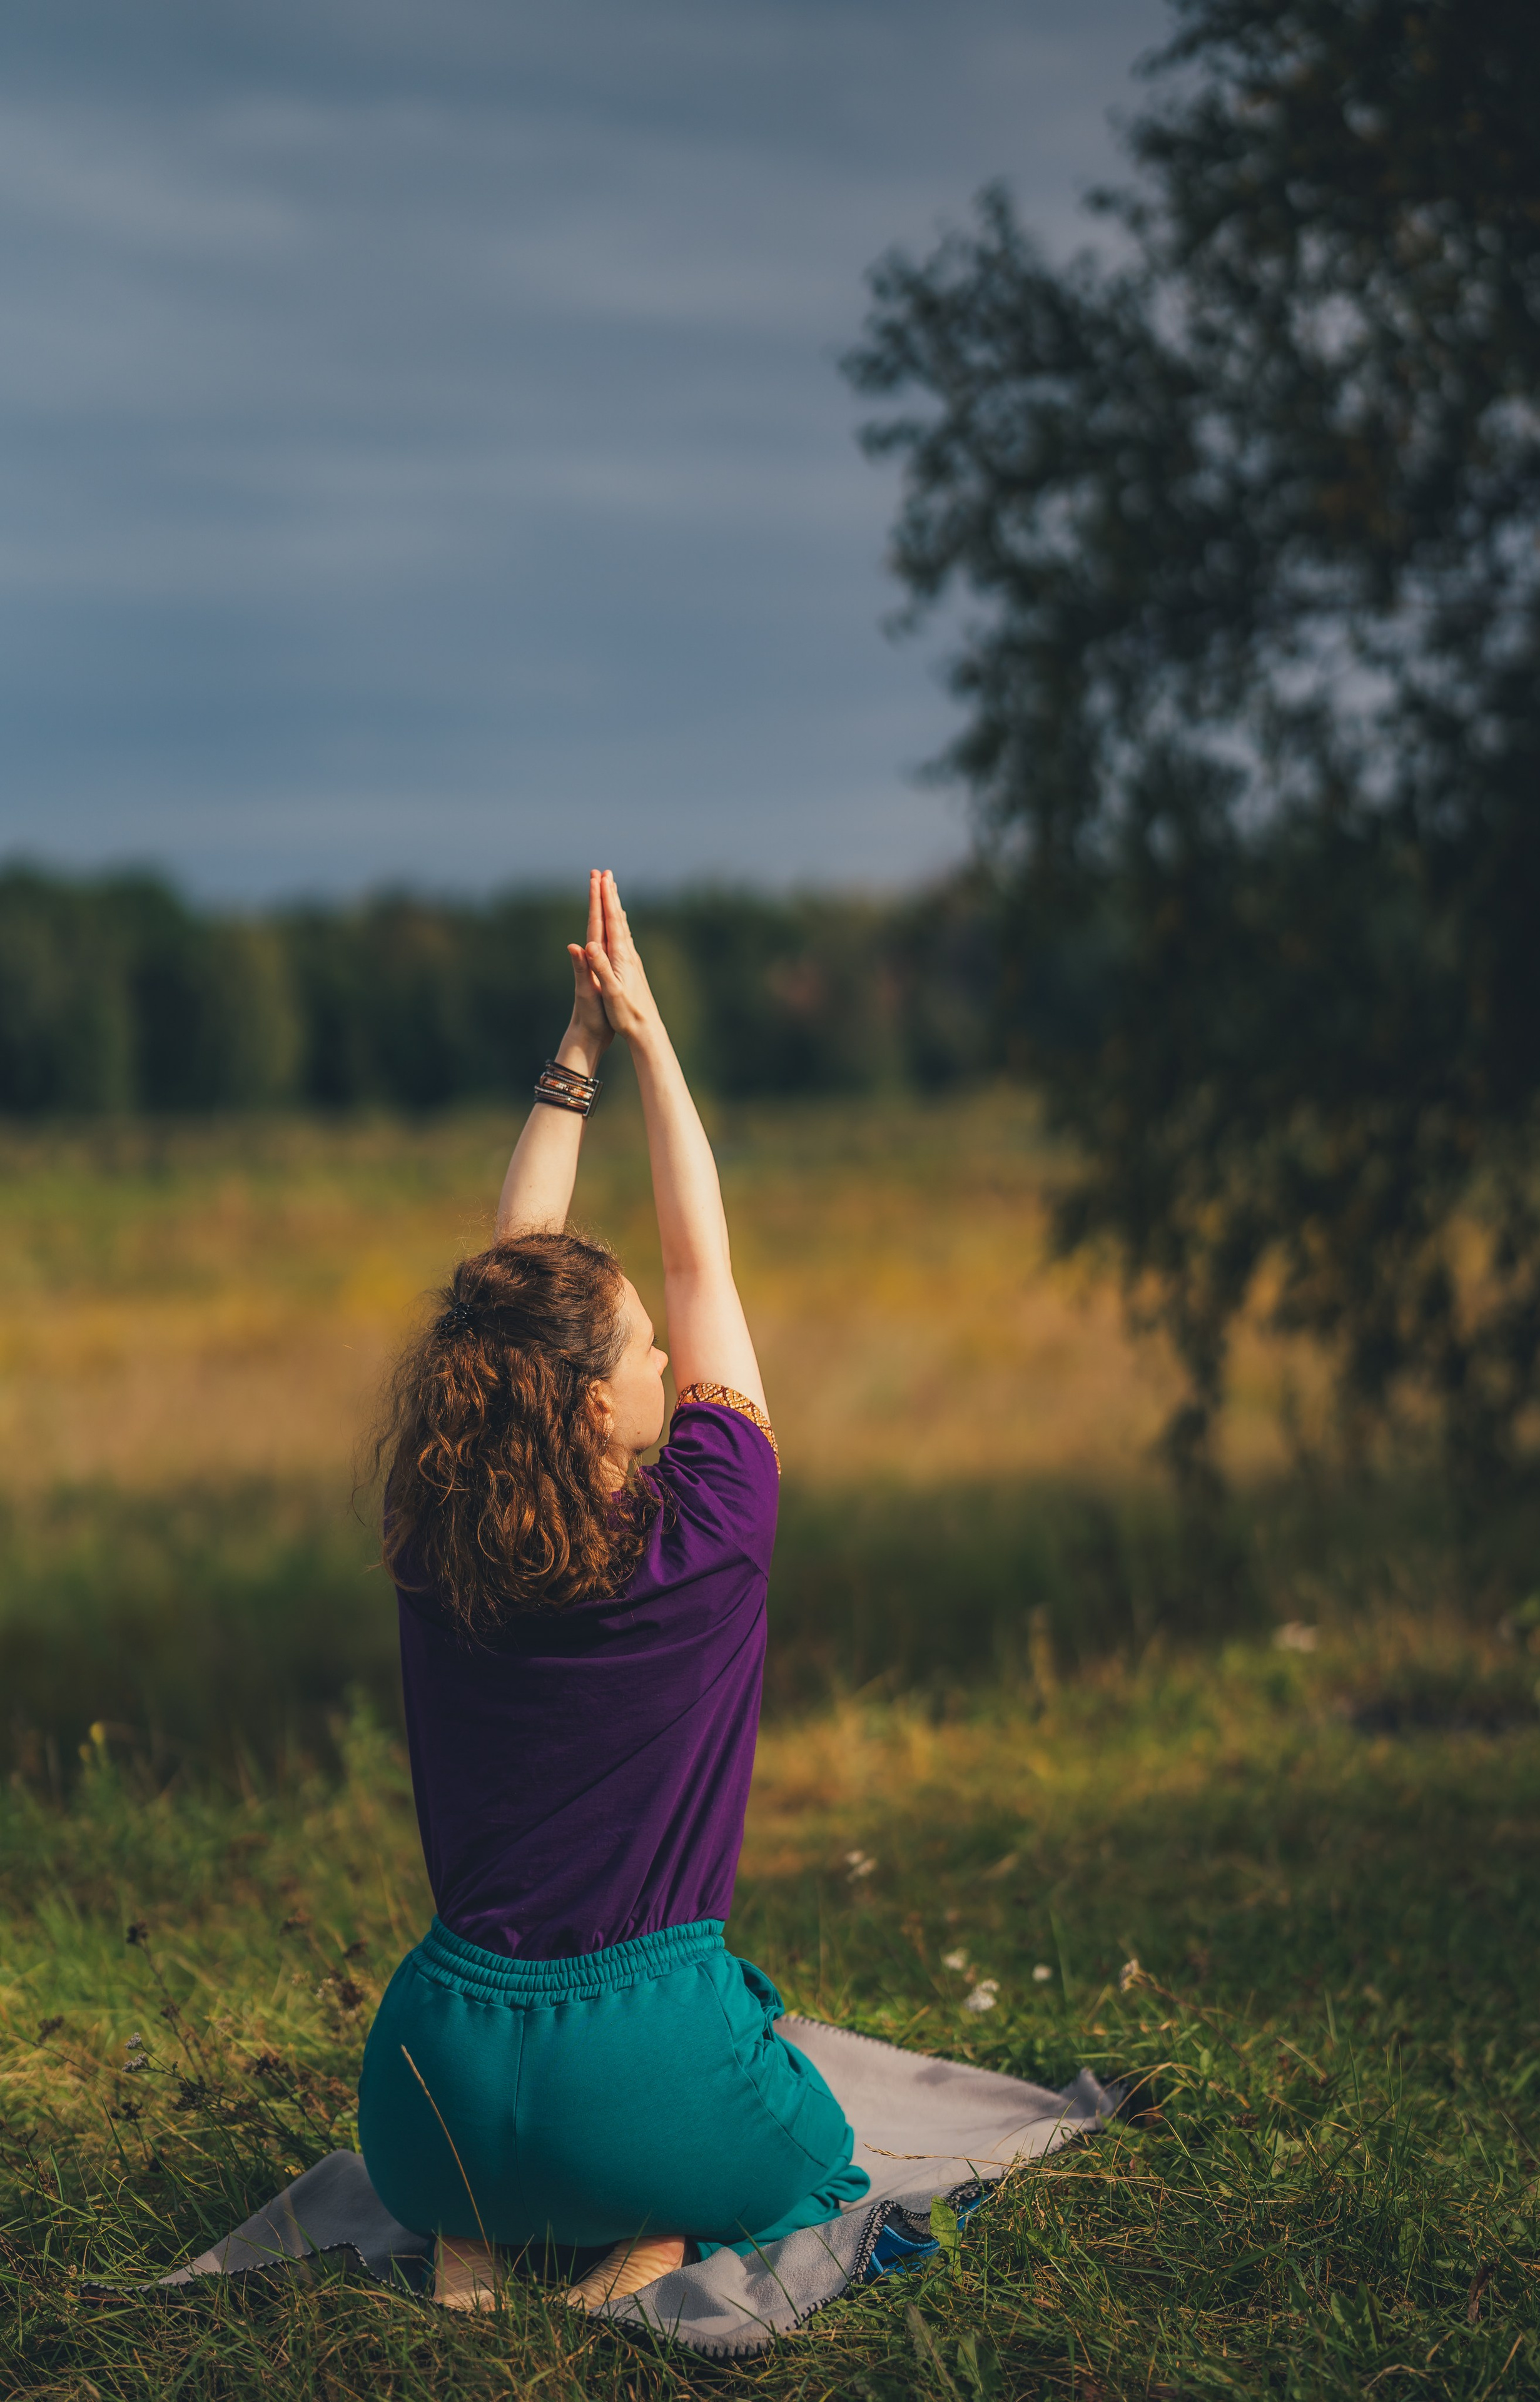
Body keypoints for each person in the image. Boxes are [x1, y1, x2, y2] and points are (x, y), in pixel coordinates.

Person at [357, 869, 868, 2313]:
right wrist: (651, 1042)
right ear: (593, 1410)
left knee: (509, 2139)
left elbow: (505, 1298)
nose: (663, 1362)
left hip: (426, 2085)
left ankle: (476, 2233)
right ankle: (649, 2229)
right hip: (641, 2069)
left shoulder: (437, 1532)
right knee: (818, 2155)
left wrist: (570, 1057)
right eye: (639, 1354)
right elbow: (704, 1259)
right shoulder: (711, 1522)